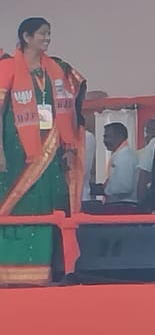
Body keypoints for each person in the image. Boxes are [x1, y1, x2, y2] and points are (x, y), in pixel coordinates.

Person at [0, 17, 79, 284]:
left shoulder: (55, 68)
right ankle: (10, 271)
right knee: (18, 207)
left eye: (49, 33)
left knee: (49, 206)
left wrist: (69, 146)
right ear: (26, 37)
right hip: (16, 153)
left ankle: (46, 271)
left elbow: (70, 107)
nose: (47, 38)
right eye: (42, 34)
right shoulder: (7, 67)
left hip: (52, 151)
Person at [99, 123, 139, 205]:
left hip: (123, 206)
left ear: (120, 136)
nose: (105, 141)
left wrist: (104, 190)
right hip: (119, 204)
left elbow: (124, 187)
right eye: (104, 137)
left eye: (108, 137)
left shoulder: (125, 157)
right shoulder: (120, 155)